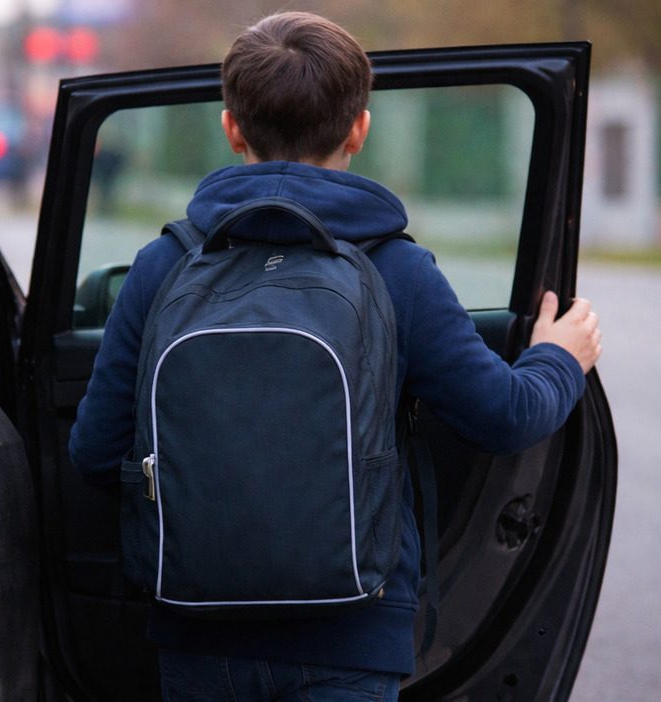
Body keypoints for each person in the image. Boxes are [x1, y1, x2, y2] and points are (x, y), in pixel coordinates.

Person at [69, 11, 602, 701]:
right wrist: (559, 357)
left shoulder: (163, 265)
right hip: (352, 634)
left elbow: (91, 450)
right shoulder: (397, 270)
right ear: (360, 128)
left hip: (197, 632)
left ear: (232, 127)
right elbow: (502, 416)